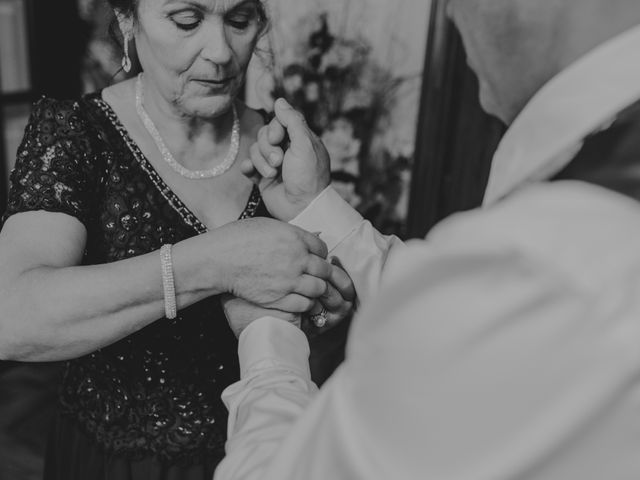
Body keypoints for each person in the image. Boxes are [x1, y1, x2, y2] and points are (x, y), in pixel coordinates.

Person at [214, 0, 640, 478]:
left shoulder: (552, 266)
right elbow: (473, 312)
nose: (452, 14)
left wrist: (267, 333)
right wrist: (314, 206)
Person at [0, 0, 356, 479]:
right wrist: (215, 262)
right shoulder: (74, 134)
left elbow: (314, 314)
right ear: (128, 20)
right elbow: (12, 317)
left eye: (239, 20)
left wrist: (321, 303)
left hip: (258, 447)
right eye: (187, 21)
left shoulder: (285, 149)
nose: (221, 52)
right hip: (113, 462)